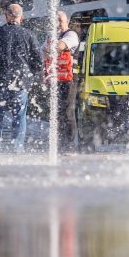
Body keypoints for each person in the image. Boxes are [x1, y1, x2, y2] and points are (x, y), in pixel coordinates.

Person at [0, 3, 42, 152]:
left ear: (6, 16)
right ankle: (17, 149)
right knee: (19, 116)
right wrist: (30, 75)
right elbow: (38, 61)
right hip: (20, 82)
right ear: (22, 16)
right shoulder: (28, 35)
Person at [42, 10, 79, 152]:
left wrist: (49, 50)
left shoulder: (71, 35)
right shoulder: (51, 37)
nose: (57, 23)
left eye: (60, 21)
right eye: (55, 21)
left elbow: (58, 47)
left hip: (68, 81)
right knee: (56, 112)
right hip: (55, 81)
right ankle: (59, 145)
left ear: (67, 22)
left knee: (68, 112)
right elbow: (42, 52)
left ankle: (69, 146)